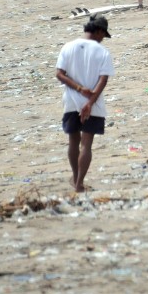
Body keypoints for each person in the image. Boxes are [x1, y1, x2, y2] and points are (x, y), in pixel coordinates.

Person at [55, 15, 114, 193]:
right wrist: (90, 101)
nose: (103, 38)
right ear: (99, 31)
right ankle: (80, 183)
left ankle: (75, 178)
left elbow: (60, 74)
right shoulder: (102, 52)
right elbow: (103, 80)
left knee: (73, 141)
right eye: (103, 35)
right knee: (86, 145)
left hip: (71, 102)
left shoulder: (68, 47)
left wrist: (79, 89)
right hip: (93, 104)